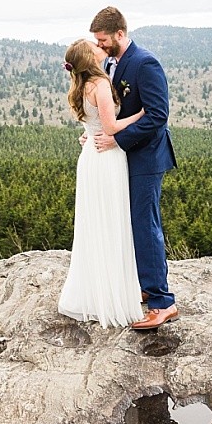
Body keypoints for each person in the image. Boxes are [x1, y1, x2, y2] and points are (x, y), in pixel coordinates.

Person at [88, 6, 178, 330]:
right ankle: (144, 285)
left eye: (103, 39)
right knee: (129, 223)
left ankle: (162, 303)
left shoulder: (145, 63)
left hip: (147, 157)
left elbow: (157, 115)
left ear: (120, 34)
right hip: (126, 157)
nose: (99, 46)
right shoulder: (111, 64)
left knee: (145, 225)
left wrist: (117, 140)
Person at [57, 38, 146, 327]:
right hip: (106, 159)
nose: (99, 47)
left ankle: (95, 293)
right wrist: (141, 114)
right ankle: (111, 297)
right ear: (90, 58)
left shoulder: (81, 85)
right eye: (94, 46)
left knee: (94, 224)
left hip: (90, 158)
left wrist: (89, 133)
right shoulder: (100, 85)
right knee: (111, 222)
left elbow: (93, 125)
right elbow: (110, 127)